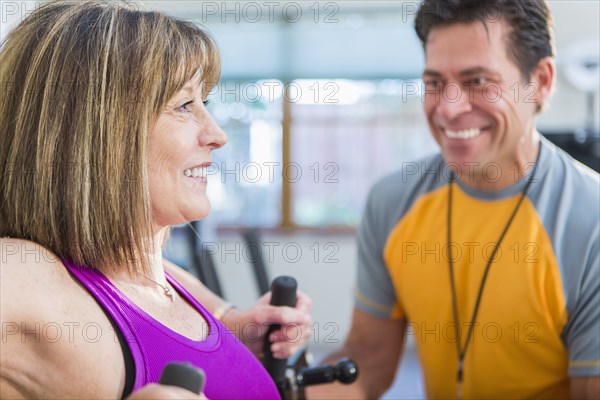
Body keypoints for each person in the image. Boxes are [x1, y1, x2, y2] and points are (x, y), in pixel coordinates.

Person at [0, 1, 312, 399]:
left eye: (206, 104)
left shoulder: (155, 274)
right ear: (98, 132)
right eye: (184, 105)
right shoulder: (25, 273)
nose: (217, 134)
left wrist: (239, 331)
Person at [308, 0, 599, 399]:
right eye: (433, 83)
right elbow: (367, 364)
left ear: (541, 82)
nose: (448, 108)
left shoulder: (592, 219)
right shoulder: (393, 201)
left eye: (478, 81)